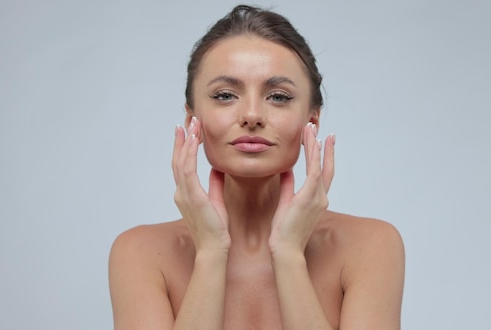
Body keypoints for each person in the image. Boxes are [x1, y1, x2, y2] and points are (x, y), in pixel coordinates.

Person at [109, 4, 405, 329]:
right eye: (224, 95)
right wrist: (210, 253)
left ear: (312, 119)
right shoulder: (140, 253)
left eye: (278, 97)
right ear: (193, 120)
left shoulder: (371, 246)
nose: (252, 115)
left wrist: (289, 255)